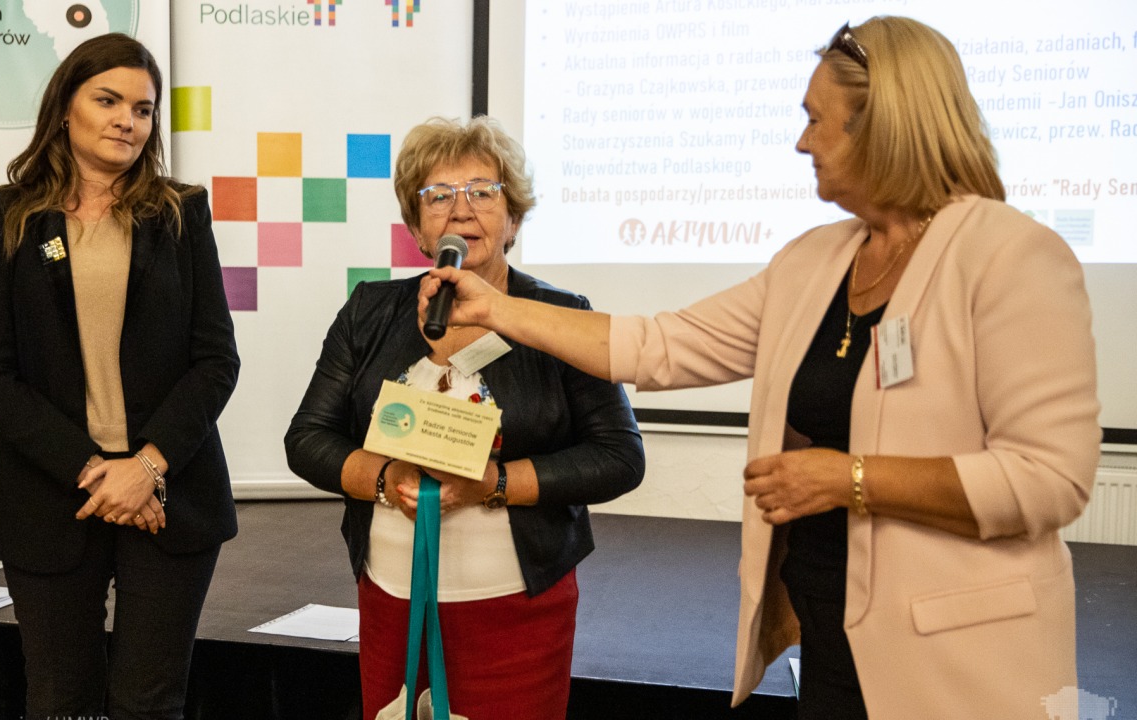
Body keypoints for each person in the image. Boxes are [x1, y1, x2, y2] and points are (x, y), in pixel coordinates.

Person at [420, 17, 1100, 720]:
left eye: (816, 120)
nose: (802, 142)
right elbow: (660, 345)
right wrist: (496, 308)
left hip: (963, 663)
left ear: (881, 125)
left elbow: (1049, 478)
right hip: (834, 635)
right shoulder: (816, 260)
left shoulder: (1011, 256)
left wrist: (849, 478)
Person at [286, 116, 645, 720]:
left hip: (516, 611)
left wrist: (495, 483)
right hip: (392, 602)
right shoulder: (369, 312)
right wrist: (386, 477)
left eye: (483, 191)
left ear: (514, 219)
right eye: (438, 195)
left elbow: (619, 457)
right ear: (415, 227)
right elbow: (307, 438)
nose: (461, 209)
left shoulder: (562, 315)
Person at [0, 33, 240, 720]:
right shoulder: (7, 216)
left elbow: (216, 360)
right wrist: (96, 472)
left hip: (170, 490)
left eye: (143, 110)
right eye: (108, 101)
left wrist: (145, 467)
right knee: (61, 701)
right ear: (65, 108)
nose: (127, 121)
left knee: (149, 703)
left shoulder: (180, 211)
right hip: (47, 493)